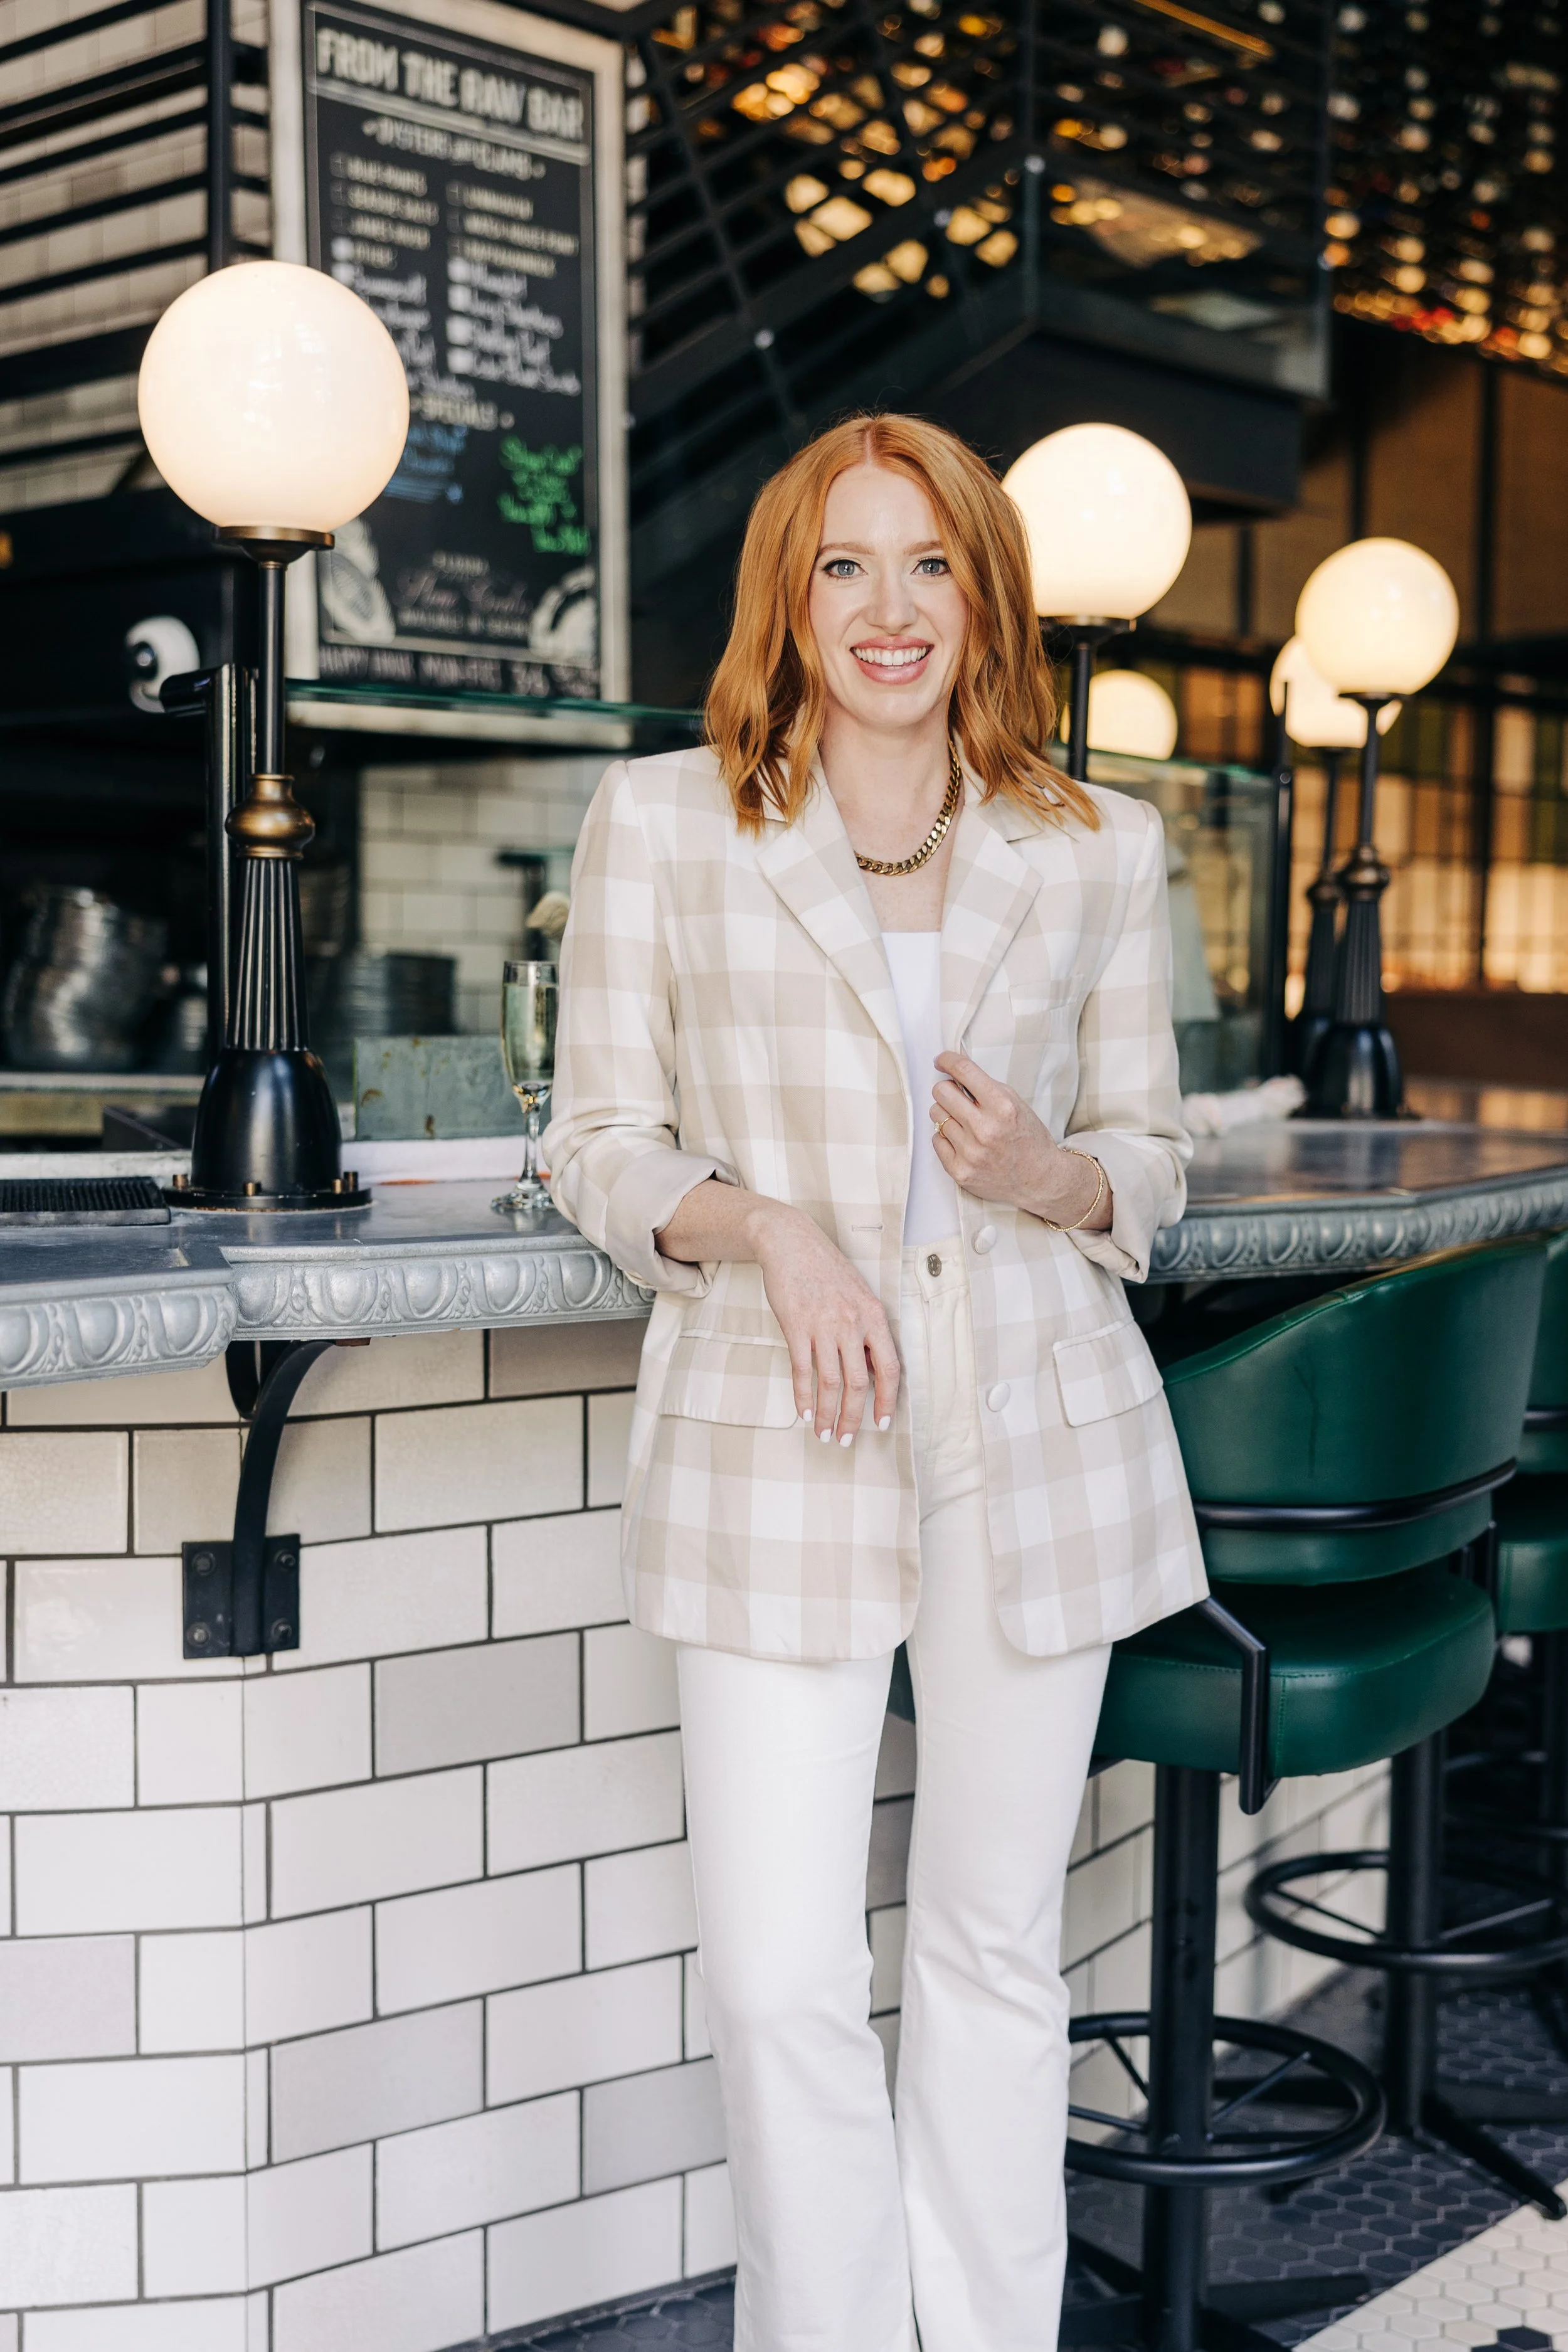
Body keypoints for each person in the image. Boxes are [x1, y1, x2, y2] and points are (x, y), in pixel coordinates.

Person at [545, 413, 1205, 2352]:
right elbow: (595, 1139)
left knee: (993, 1944)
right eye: (844, 563)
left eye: (929, 563)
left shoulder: (1096, 846)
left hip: (1032, 1431)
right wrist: (768, 1225)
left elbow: (1151, 1155)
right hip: (780, 1423)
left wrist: (1053, 1175)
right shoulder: (665, 824)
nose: (887, 606)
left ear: (985, 598)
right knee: (777, 1973)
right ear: (790, 596)